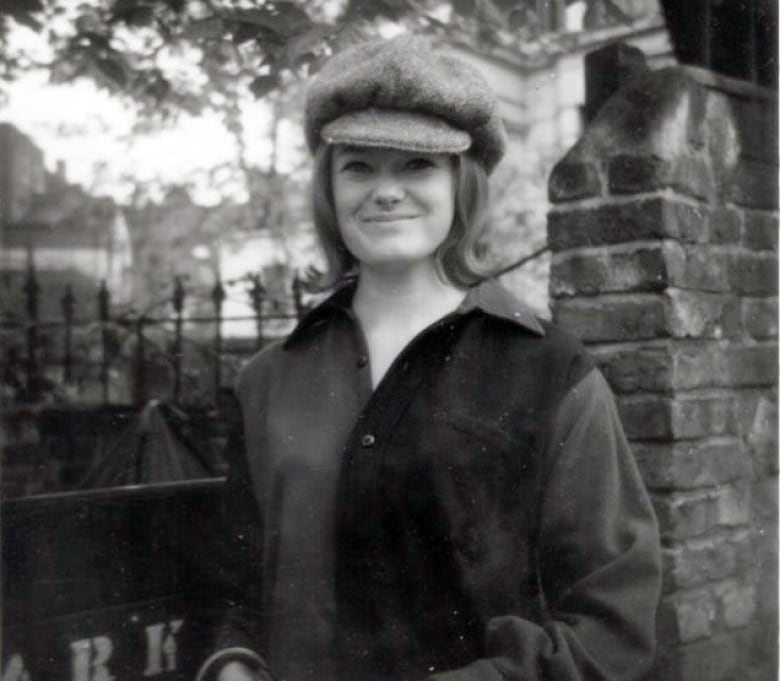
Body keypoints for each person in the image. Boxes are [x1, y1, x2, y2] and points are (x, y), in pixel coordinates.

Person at [198, 34, 662, 681]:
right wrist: (233, 664)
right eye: (358, 165)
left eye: (416, 164)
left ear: (460, 182)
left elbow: (615, 627)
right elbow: (236, 590)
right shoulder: (268, 380)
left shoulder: (552, 371)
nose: (385, 191)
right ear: (328, 186)